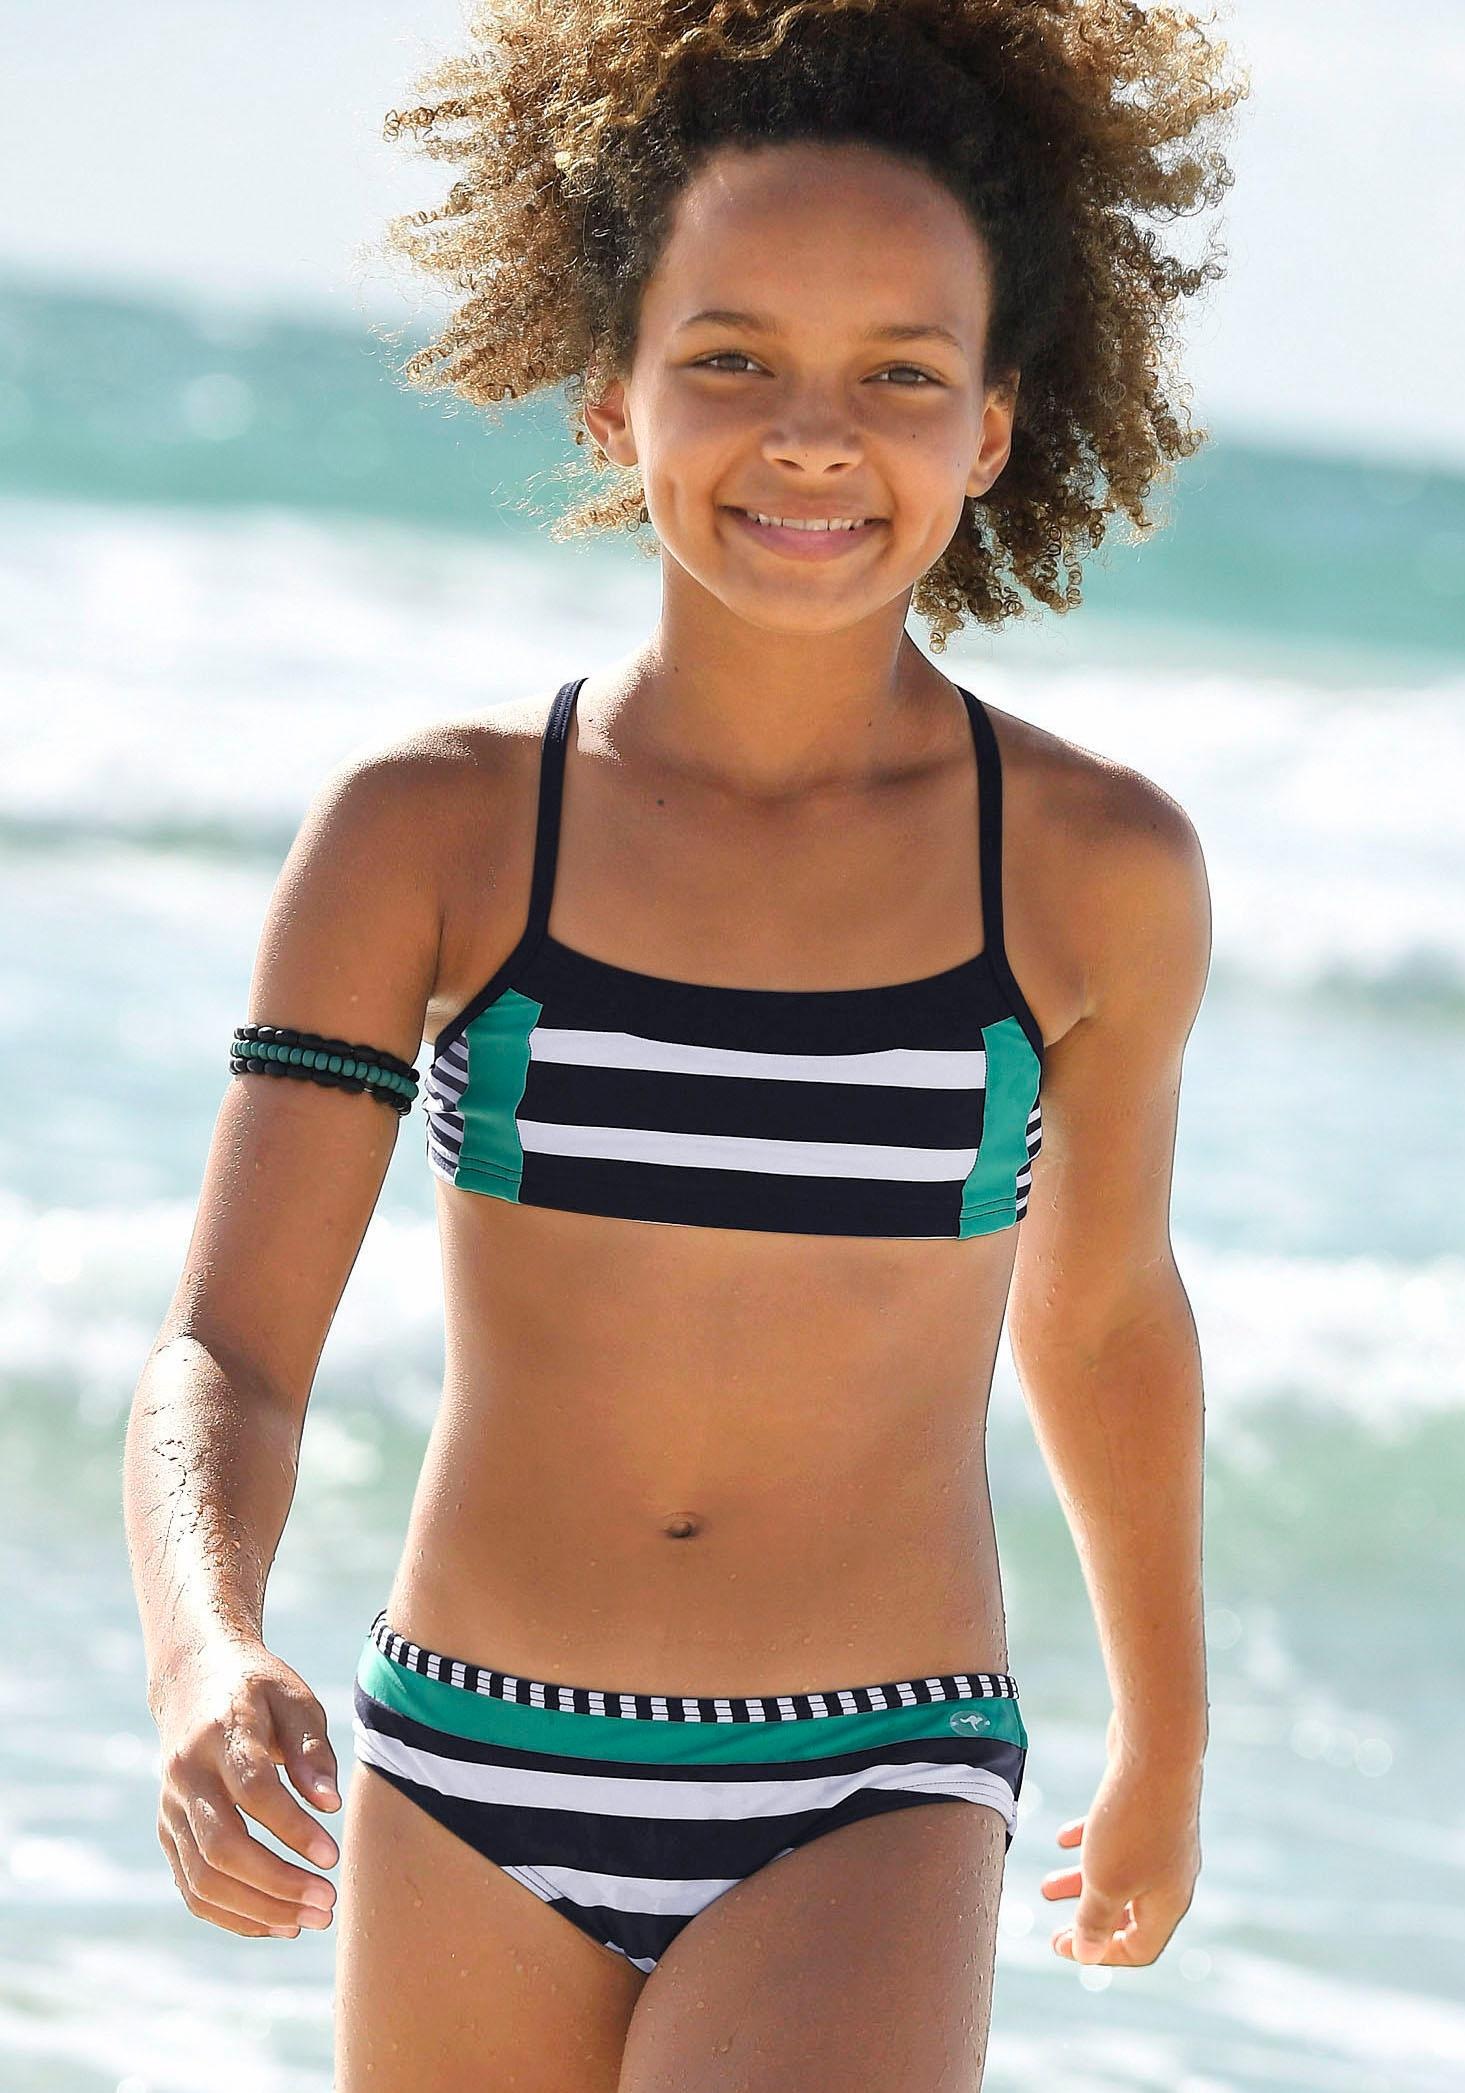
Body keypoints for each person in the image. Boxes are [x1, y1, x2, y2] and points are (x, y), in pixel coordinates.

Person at [123, 1, 1246, 2085]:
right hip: (463, 1762)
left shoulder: (1090, 869)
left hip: (871, 1777)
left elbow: (1101, 1318)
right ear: (609, 395)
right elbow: (233, 1350)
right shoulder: (432, 832)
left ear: (992, 427)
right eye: (729, 358)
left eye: (898, 373)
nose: (811, 436)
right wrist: (206, 1646)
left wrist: (1165, 1739)